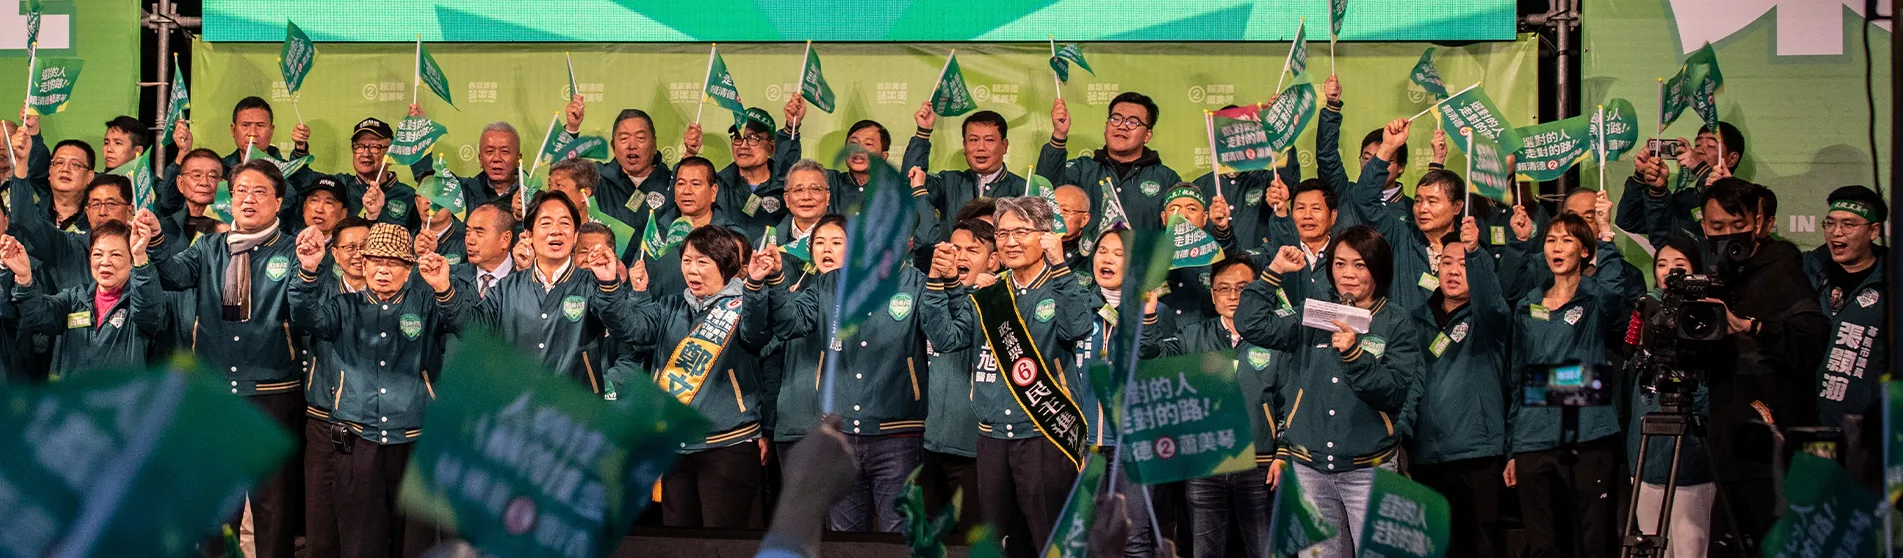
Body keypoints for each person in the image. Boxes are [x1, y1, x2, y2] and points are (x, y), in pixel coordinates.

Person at [135, 158, 306, 558]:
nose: (248, 199)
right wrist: (157, 241)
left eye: (259, 191)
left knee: (271, 504)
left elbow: (308, 312)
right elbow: (176, 275)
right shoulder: (210, 247)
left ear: (278, 201)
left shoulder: (294, 250)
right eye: (241, 191)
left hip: (271, 391)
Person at [920, 196, 1095, 556]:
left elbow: (1078, 327)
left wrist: (1060, 266)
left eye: (1021, 232)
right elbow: (945, 337)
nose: (1011, 241)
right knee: (1000, 546)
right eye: (1003, 233)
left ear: (1046, 235)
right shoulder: (990, 294)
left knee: (1052, 544)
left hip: (1045, 432)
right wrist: (937, 283)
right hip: (992, 438)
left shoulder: (1062, 285)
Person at [1237, 226, 1423, 557]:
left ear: (1377, 269)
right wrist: (1274, 271)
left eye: (1359, 265)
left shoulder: (1396, 323)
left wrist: (1354, 355)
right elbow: (1251, 325)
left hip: (1369, 471)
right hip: (1310, 469)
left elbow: (1393, 393)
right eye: (1340, 264)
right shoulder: (1316, 313)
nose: (1348, 274)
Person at [769, 213, 949, 532]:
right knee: (844, 539)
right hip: (840, 434)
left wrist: (948, 284)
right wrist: (772, 282)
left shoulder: (919, 284)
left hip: (898, 435)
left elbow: (946, 338)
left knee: (899, 536)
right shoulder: (829, 283)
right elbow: (789, 323)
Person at [295, 222, 458, 558]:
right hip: (358, 439)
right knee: (359, 543)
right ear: (363, 264)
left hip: (415, 441)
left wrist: (444, 288)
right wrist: (308, 271)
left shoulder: (427, 305)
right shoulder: (343, 307)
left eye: (394, 262)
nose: (383, 269)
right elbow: (304, 317)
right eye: (375, 261)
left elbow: (468, 326)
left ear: (409, 268)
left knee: (416, 545)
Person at [600, 224, 780, 528]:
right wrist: (610, 286)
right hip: (676, 448)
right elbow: (631, 329)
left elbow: (757, 334)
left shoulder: (745, 306)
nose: (692, 270)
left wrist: (757, 288)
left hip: (728, 444)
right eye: (687, 261)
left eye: (702, 261)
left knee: (726, 545)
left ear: (725, 264)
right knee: (679, 543)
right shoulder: (670, 305)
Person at [1694, 178, 1827, 541]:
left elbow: (1812, 340)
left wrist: (1752, 327)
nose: (1727, 236)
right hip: (1727, 436)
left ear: (1757, 222)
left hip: (1774, 441)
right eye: (1717, 227)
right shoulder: (1714, 276)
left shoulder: (1783, 270)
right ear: (1703, 225)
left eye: (1738, 226)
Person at [1504, 211, 1635, 558]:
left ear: (1585, 252)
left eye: (1567, 240)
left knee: (1591, 542)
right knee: (1542, 544)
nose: (1556, 247)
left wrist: (1606, 234)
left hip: (1589, 437)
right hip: (1532, 439)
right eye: (1550, 239)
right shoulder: (1526, 305)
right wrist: (1513, 447)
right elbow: (1519, 378)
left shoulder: (1594, 300)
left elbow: (1614, 293)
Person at [1146, 256, 1274, 558]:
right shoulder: (1193, 336)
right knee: (1206, 551)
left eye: (1242, 288)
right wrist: (1149, 317)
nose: (1233, 296)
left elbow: (1288, 398)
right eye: (1224, 289)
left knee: (1263, 549)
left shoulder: (1276, 336)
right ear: (1213, 295)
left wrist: (1283, 454)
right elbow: (1152, 360)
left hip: (1260, 462)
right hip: (1207, 461)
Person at [442, 191, 625, 394]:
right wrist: (444, 289)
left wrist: (609, 284)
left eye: (565, 224)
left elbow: (622, 328)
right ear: (528, 235)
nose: (555, 231)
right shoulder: (506, 288)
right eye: (546, 223)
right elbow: (472, 330)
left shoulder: (592, 284)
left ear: (575, 237)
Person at [1409, 216, 1512, 558]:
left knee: (1480, 548)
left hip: (1476, 455)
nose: (1454, 270)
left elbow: (1494, 306)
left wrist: (1475, 253)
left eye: (1464, 264)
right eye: (1447, 262)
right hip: (1426, 456)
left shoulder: (1488, 322)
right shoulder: (1414, 319)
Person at [1623, 235, 1717, 558]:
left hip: (1691, 458)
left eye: (1680, 265)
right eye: (1661, 264)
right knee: (1651, 550)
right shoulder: (1646, 308)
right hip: (1646, 455)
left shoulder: (1709, 315)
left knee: (1690, 548)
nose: (1669, 273)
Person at [919, 218, 998, 540]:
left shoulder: (999, 300)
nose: (961, 257)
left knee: (970, 544)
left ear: (993, 259)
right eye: (955, 248)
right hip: (925, 443)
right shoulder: (930, 292)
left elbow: (948, 338)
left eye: (973, 250)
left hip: (973, 448)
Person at [0, 220, 161, 379]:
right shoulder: (74, 299)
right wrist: (24, 277)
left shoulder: (139, 303)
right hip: (72, 402)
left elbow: (149, 311)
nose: (105, 262)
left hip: (121, 402)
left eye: (116, 255)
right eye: (98, 254)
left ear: (132, 260)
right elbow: (40, 315)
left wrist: (141, 257)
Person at [1037, 93, 1182, 231]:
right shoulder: (1082, 170)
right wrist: (1059, 135)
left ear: (1147, 135)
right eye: (1116, 118)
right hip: (1085, 257)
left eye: (1133, 122)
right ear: (1106, 125)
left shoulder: (1166, 179)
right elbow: (1044, 194)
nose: (1122, 126)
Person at [1804, 185, 1886, 428]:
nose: (1836, 233)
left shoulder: (1893, 280)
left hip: (1867, 426)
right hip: (1807, 419)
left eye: (1848, 225)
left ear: (1873, 231)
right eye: (1830, 223)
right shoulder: (1807, 269)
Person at [555, 99, 681, 235]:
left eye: (640, 138)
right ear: (613, 146)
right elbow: (561, 175)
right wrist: (572, 129)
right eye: (624, 139)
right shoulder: (597, 178)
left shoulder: (672, 183)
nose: (632, 145)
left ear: (654, 143)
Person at [908, 109, 1025, 253]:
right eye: (974, 140)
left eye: (989, 140)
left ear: (1004, 146)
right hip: (950, 269)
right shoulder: (949, 182)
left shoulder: (1023, 190)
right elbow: (912, 178)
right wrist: (923, 133)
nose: (981, 148)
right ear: (964, 146)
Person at [1193, 105, 1302, 253]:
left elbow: (1290, 180)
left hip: (1260, 266)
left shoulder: (1268, 180)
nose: (1232, 142)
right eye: (1224, 135)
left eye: (1238, 134)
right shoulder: (1199, 186)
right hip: (1214, 269)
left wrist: (1279, 128)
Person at [1618, 122, 1746, 243]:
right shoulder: (1687, 199)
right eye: (1697, 145)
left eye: (1711, 146)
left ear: (1732, 159)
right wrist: (1644, 180)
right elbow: (1629, 222)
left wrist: (1700, 168)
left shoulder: (1746, 198)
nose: (1700, 150)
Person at [639, 156, 739, 298]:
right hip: (660, 317)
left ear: (713, 191)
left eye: (696, 184)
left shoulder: (731, 236)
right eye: (680, 184)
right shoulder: (657, 233)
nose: (686, 191)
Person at [1317, 76, 1409, 223]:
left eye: (1384, 160)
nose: (1373, 165)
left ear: (1401, 166)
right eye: (1367, 158)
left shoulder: (1414, 210)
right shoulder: (1345, 194)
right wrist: (1332, 107)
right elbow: (1327, 156)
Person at [714, 99, 806, 241]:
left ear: (771, 147)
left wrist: (791, 126)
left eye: (753, 138)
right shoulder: (717, 184)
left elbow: (790, 161)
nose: (743, 145)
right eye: (738, 137)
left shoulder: (785, 186)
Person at [408, 105, 524, 211]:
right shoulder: (463, 191)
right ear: (480, 159)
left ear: (519, 159)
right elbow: (428, 178)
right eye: (489, 151)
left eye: (505, 151)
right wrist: (419, 135)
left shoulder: (531, 199)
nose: (496, 158)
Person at [316, 118, 420, 232]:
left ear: (391, 153)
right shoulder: (340, 186)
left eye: (375, 147)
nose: (366, 153)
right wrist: (300, 149)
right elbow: (302, 180)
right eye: (359, 146)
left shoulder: (408, 196)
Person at [1156, 182, 1237, 320]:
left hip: (1205, 338)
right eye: (1174, 209)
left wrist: (1222, 231)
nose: (1183, 215)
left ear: (1205, 217)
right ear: (1164, 217)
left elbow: (1230, 259)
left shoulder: (1215, 254)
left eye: (1192, 209)